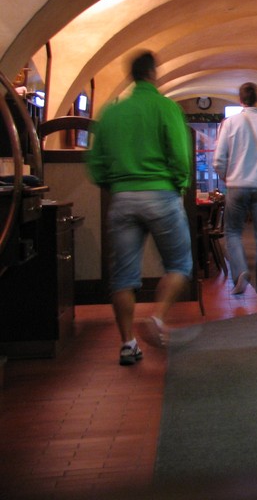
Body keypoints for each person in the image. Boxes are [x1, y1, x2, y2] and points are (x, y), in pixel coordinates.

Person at [85, 51, 194, 366]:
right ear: (152, 73)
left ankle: (127, 344)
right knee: (180, 265)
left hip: (122, 198)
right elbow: (180, 154)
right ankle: (157, 317)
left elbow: (95, 162)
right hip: (161, 195)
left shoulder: (111, 113)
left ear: (131, 75)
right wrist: (179, 184)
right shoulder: (165, 107)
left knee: (122, 277)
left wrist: (114, 185)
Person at [213, 82, 257, 299]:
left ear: (240, 100)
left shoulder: (230, 123)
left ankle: (240, 270)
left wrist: (227, 177)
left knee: (232, 231)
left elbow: (219, 160)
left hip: (237, 185)